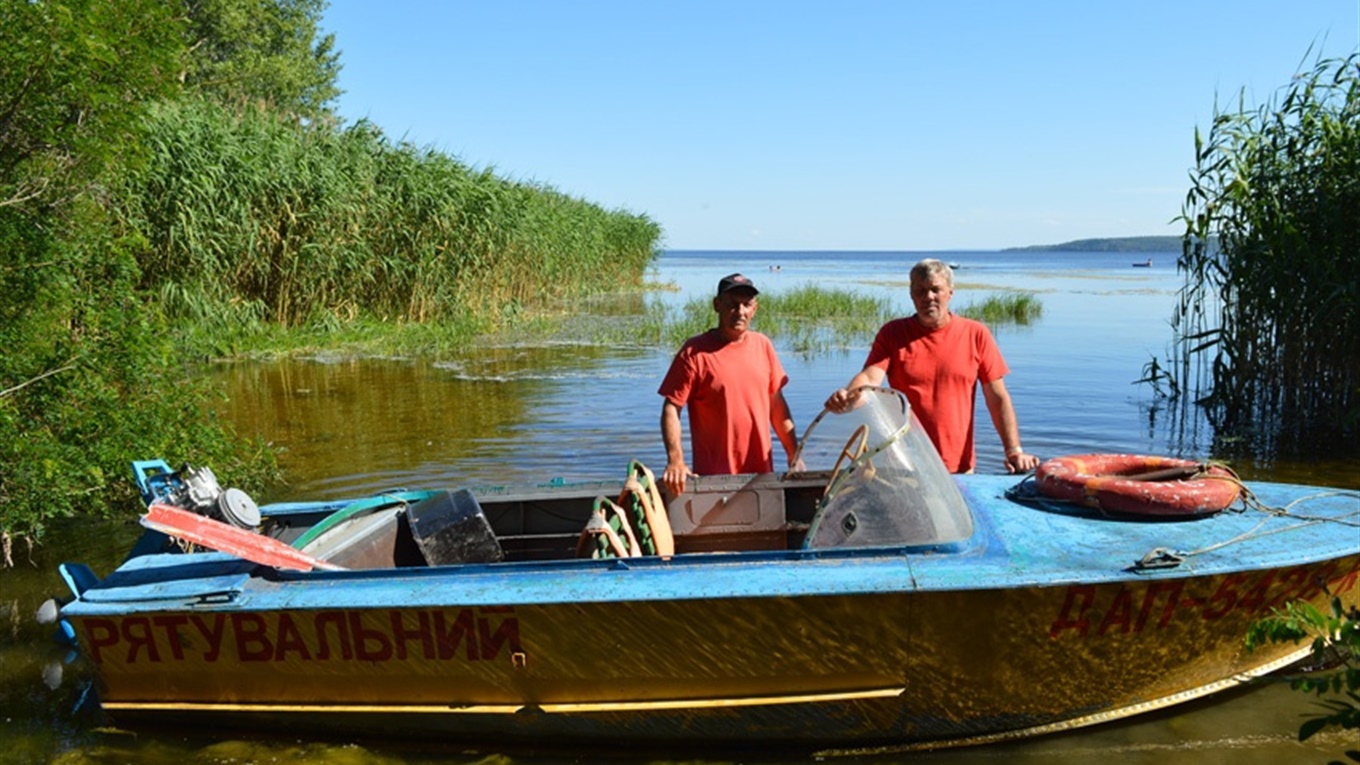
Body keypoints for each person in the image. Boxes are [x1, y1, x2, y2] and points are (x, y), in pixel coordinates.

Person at [824, 258, 1040, 474]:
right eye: (920, 291)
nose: (928, 297)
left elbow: (997, 397)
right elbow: (870, 379)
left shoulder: (975, 333)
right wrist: (848, 397)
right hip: (905, 465)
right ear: (911, 294)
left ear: (950, 293)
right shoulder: (893, 334)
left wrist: (1013, 451)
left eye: (936, 290)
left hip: (959, 468)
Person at [659, 273, 798, 495]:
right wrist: (676, 461)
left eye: (746, 304)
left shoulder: (763, 346)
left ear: (755, 308)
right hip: (713, 481)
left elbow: (777, 406)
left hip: (761, 478)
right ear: (717, 305)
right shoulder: (694, 352)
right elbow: (671, 408)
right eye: (732, 304)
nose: (740, 312)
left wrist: (794, 455)